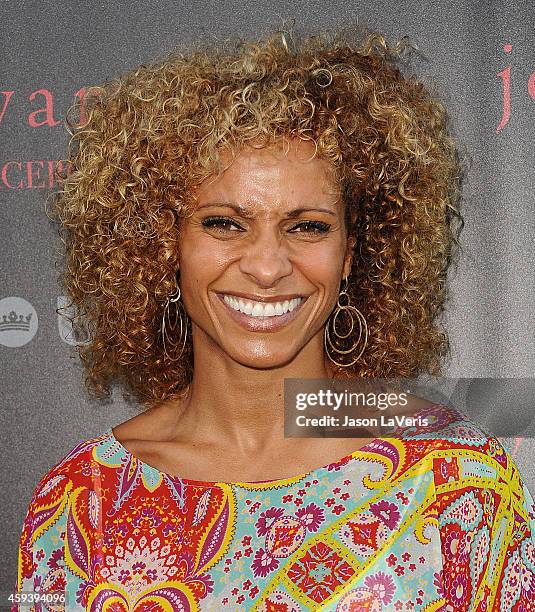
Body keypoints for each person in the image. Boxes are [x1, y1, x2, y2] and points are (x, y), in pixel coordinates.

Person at [12, 23, 534, 611]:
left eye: (307, 226)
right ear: (165, 244)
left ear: (351, 254)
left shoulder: (455, 480)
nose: (266, 267)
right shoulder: (79, 503)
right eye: (224, 223)